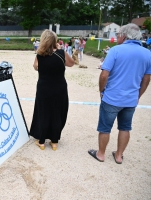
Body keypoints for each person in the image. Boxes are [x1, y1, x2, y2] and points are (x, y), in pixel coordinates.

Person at [88, 23, 151, 164]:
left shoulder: (116, 50)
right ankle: (118, 155)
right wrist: (138, 95)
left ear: (124, 36)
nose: (116, 37)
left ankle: (101, 154)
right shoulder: (148, 53)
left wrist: (102, 91)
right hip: (131, 99)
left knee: (105, 128)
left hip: (112, 97)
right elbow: (147, 79)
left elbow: (104, 75)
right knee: (125, 127)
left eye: (117, 35)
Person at [30, 29, 74, 150]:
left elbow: (35, 67)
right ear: (55, 40)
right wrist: (61, 50)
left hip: (44, 87)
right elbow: (71, 63)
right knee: (57, 112)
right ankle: (54, 141)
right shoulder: (61, 53)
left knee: (43, 112)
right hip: (59, 87)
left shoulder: (40, 54)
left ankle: (42, 141)